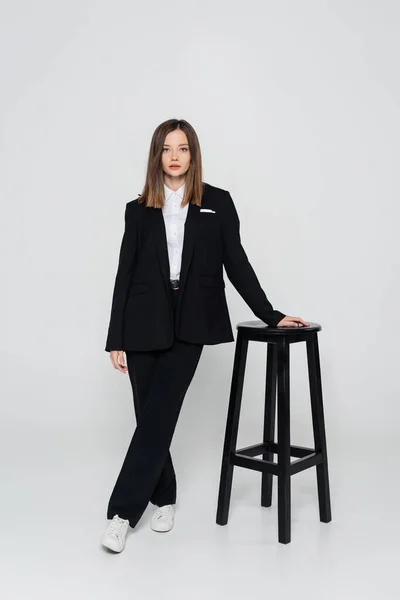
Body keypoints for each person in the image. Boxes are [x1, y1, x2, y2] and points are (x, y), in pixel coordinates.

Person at [100, 118, 309, 552]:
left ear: (193, 155)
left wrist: (272, 315)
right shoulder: (137, 209)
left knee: (159, 415)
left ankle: (121, 514)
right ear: (157, 156)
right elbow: (125, 273)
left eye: (182, 149)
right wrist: (115, 336)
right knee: (149, 418)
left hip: (191, 321)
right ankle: (166, 497)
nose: (174, 157)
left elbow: (237, 263)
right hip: (141, 322)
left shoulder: (217, 202)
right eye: (166, 149)